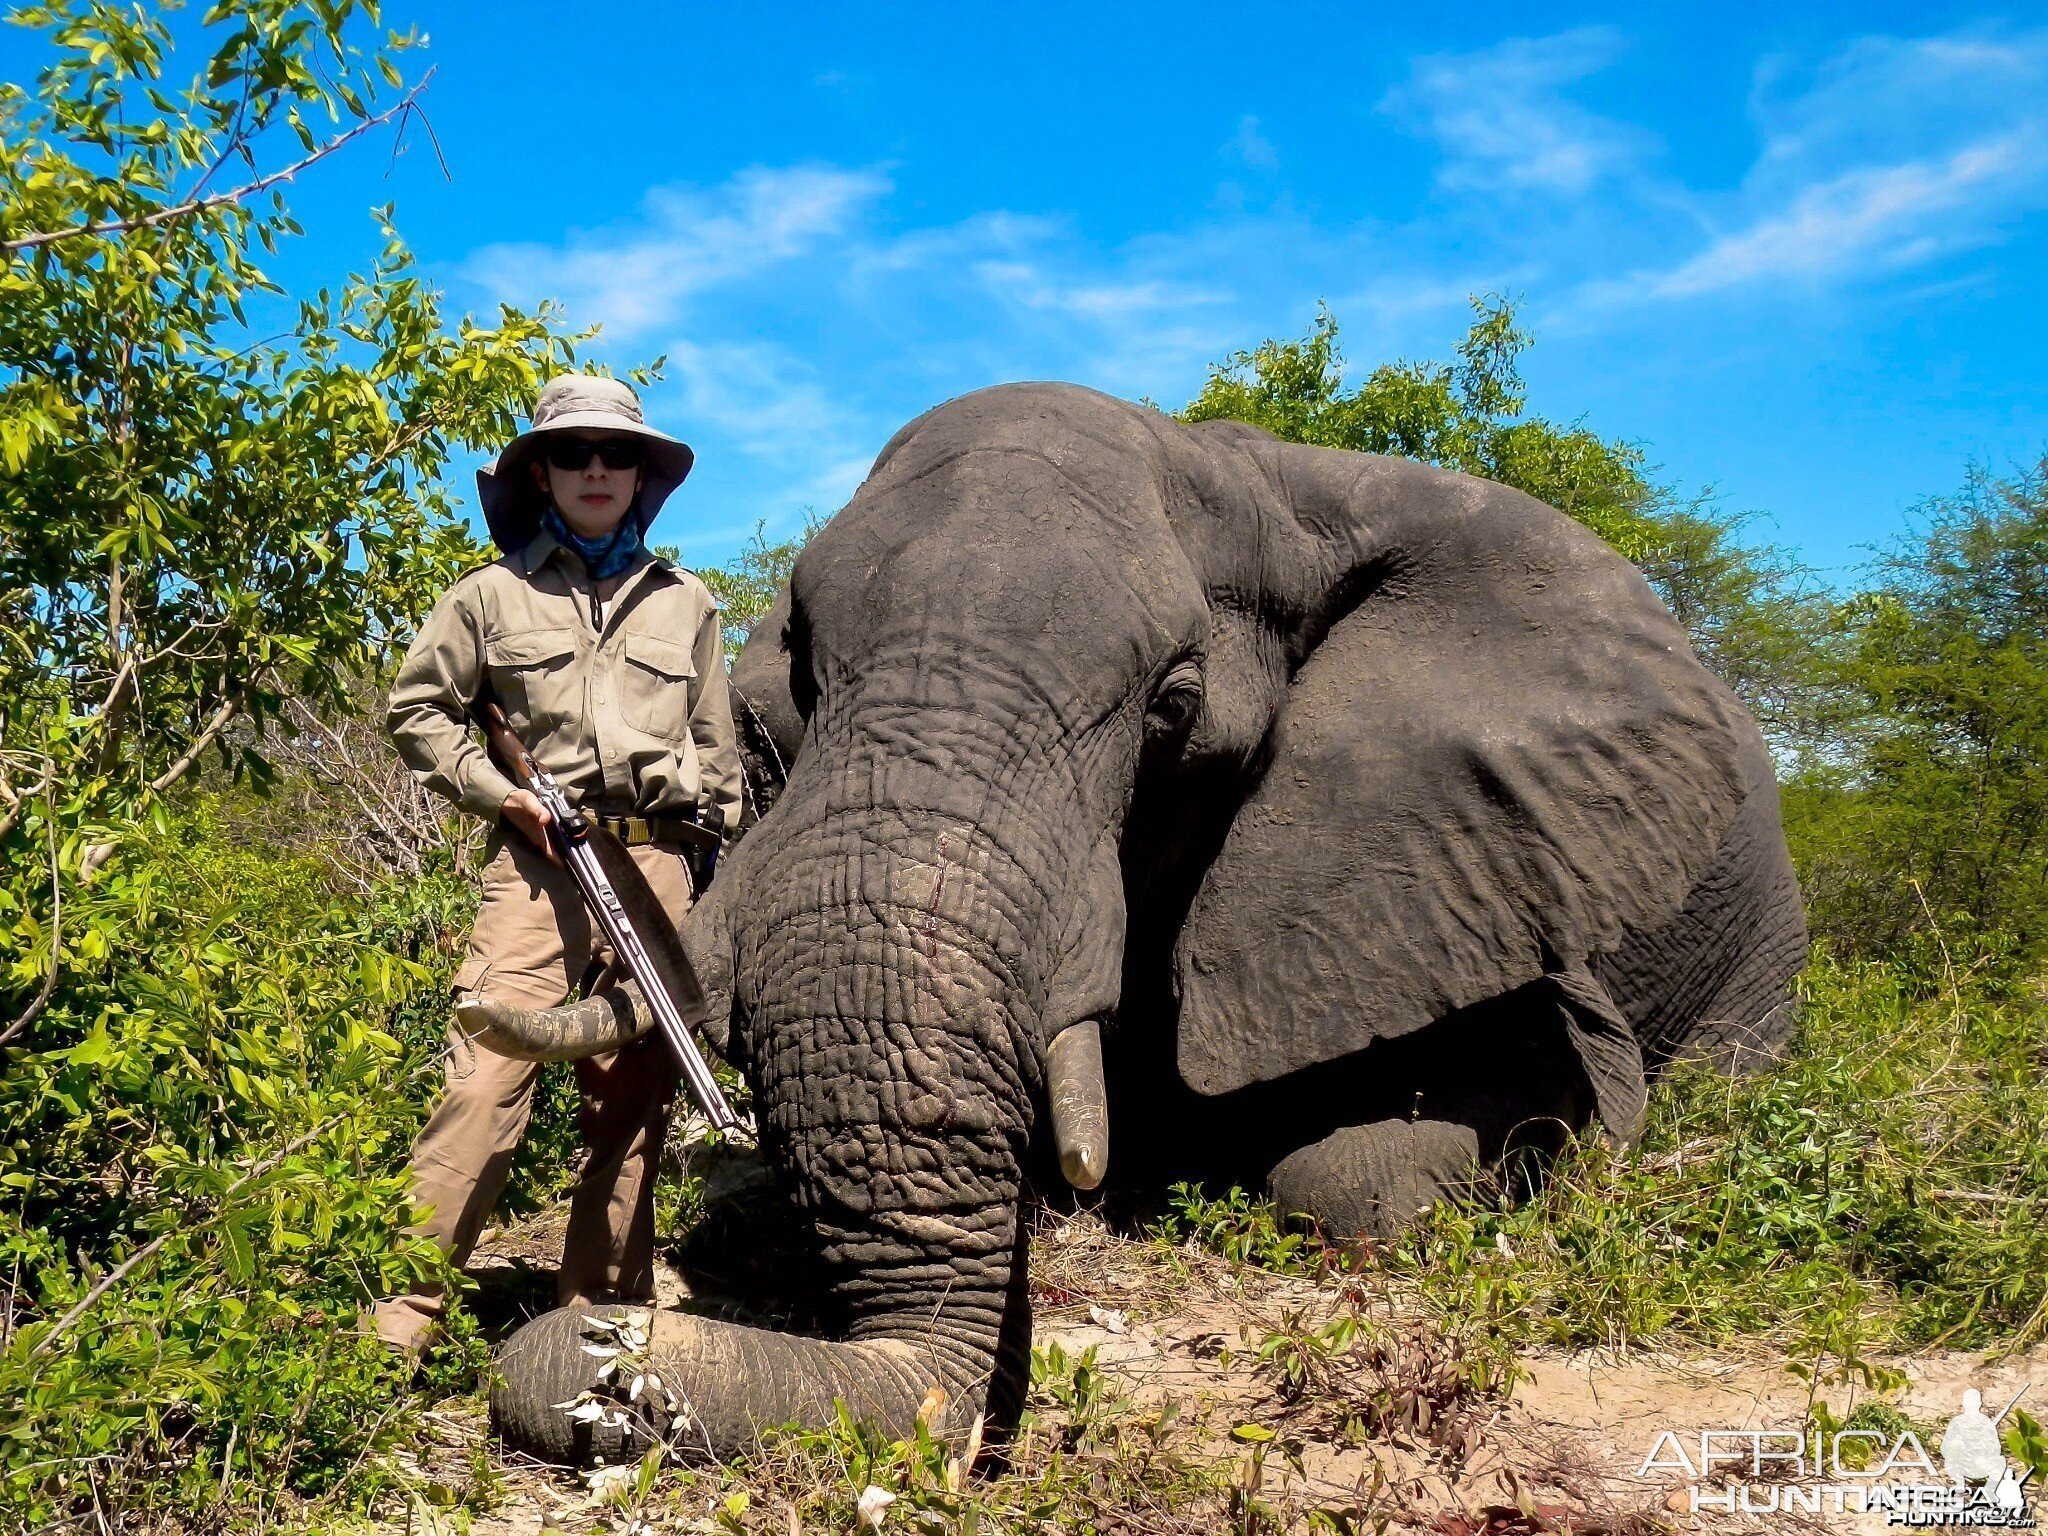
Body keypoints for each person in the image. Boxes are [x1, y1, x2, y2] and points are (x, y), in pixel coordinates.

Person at [372, 374, 742, 1352]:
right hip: (538, 873)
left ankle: (602, 1329)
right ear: (539, 470)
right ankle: (395, 1329)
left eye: (615, 455)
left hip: (656, 872)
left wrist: (707, 865)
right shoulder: (487, 596)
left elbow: (717, 753)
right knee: (485, 1080)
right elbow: (417, 711)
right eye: (573, 453)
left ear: (639, 475)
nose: (594, 470)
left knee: (630, 1104)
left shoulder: (688, 604)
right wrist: (504, 796)